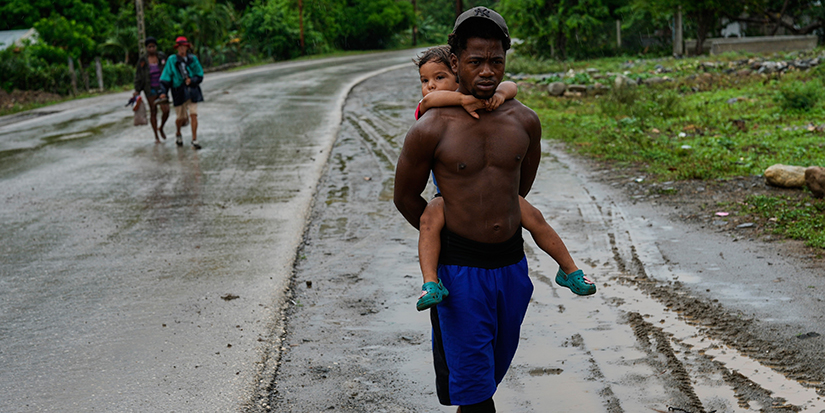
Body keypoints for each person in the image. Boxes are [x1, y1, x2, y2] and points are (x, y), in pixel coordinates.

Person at [394, 7, 590, 412]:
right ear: (455, 62)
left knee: (495, 364)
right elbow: (405, 197)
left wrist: (496, 217)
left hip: (512, 269)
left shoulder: (525, 121)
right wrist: (450, 232)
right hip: (460, 273)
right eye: (475, 61)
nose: (487, 71)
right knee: (475, 389)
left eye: (496, 61)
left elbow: (520, 187)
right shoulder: (430, 128)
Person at [411, 46, 595, 312]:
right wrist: (461, 101)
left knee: (535, 217)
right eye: (424, 80)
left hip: (499, 196)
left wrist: (498, 94)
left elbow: (511, 85)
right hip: (451, 199)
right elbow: (427, 102)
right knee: (429, 220)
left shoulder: (487, 103)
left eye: (439, 78)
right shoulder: (432, 113)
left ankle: (569, 269)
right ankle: (431, 282)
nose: (430, 86)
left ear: (459, 75)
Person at [159, 36, 204, 150]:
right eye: (180, 47)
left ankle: (194, 139)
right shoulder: (172, 60)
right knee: (181, 118)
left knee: (194, 114)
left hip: (192, 90)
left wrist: (192, 80)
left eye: (184, 46)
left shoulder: (193, 59)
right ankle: (178, 132)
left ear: (187, 47)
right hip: (178, 91)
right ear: (177, 48)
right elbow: (166, 77)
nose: (182, 49)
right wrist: (163, 92)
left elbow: (200, 74)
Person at [133, 37, 170, 143]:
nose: (152, 49)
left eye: (153, 46)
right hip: (149, 88)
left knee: (166, 110)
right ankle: (156, 136)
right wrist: (137, 89)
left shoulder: (162, 57)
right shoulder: (143, 61)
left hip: (162, 87)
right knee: (153, 111)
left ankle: (161, 127)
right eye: (149, 47)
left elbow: (168, 70)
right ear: (146, 48)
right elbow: (138, 75)